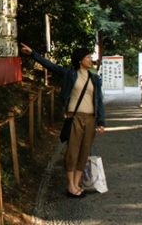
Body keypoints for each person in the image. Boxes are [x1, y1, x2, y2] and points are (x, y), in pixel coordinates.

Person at [20, 43, 105, 198]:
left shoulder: (95, 78)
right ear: (80, 60)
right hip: (75, 117)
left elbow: (99, 100)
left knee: (84, 152)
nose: (90, 59)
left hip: (91, 119)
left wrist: (101, 122)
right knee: (72, 152)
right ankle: (71, 186)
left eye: (90, 57)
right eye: (87, 57)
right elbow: (51, 66)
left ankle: (77, 184)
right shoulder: (70, 74)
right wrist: (33, 54)